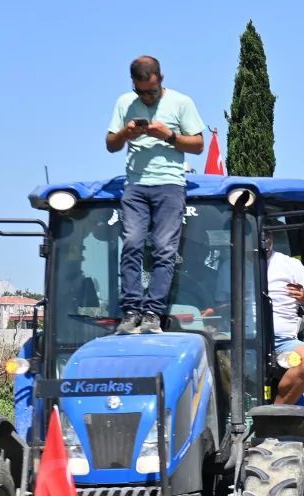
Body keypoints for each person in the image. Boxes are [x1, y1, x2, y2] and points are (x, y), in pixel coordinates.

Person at [106, 56, 206, 334]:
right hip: (135, 185)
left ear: (161, 79)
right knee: (132, 245)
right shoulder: (124, 103)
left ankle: (152, 313)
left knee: (164, 249)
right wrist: (126, 132)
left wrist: (169, 135)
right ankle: (130, 312)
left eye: (151, 92)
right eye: (141, 92)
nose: (146, 98)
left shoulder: (181, 103)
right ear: (133, 86)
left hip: (170, 185)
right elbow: (110, 144)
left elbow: (198, 145)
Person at [265, 233, 304, 405]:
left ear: (272, 236)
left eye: (267, 232)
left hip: (281, 342)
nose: (263, 237)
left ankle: (275, 414)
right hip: (238, 339)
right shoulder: (230, 265)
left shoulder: (290, 265)